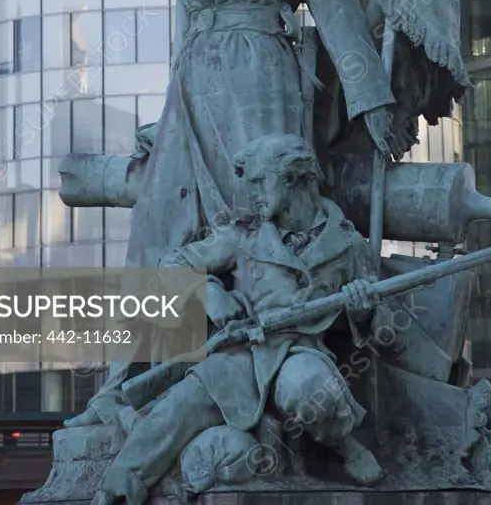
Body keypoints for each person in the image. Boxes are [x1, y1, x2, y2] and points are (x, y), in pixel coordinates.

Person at [68, 0, 394, 427]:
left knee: (252, 220)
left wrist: (370, 100)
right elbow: (184, 33)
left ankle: (258, 376)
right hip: (194, 91)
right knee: (160, 227)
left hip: (260, 85)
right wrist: (166, 114)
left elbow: (339, 19)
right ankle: (129, 384)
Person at [91, 133, 383, 505]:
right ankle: (117, 489)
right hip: (243, 351)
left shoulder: (348, 243)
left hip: (299, 352)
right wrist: (210, 294)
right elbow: (172, 264)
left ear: (292, 179)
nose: (253, 193)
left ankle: (346, 446)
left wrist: (361, 308)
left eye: (261, 181)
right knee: (179, 407)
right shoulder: (244, 235)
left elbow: (377, 323)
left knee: (311, 389)